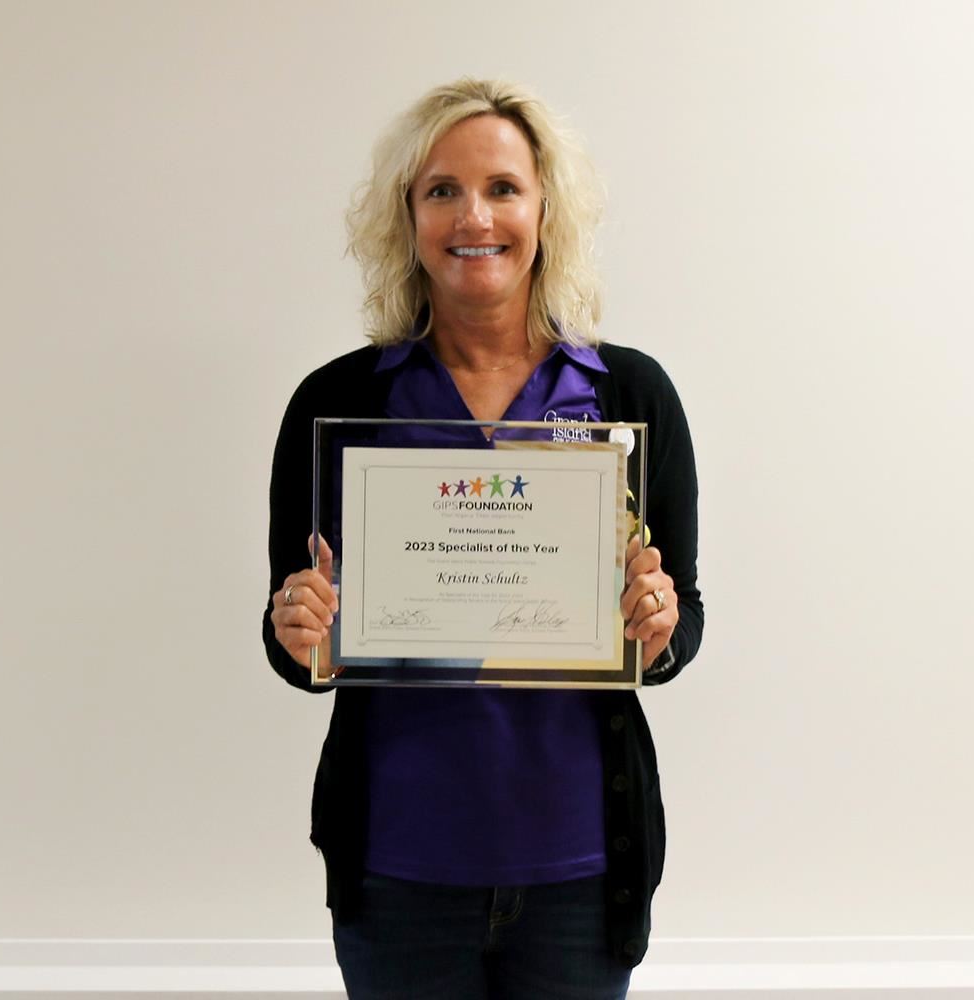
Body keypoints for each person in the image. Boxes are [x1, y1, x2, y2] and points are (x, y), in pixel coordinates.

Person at [263, 78, 703, 1000]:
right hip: (400, 867)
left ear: (546, 209)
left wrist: (657, 625)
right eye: (442, 190)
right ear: (407, 215)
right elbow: (292, 636)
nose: (476, 216)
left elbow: (680, 621)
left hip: (580, 870)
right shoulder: (339, 404)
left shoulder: (630, 397)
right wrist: (298, 627)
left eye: (503, 187)